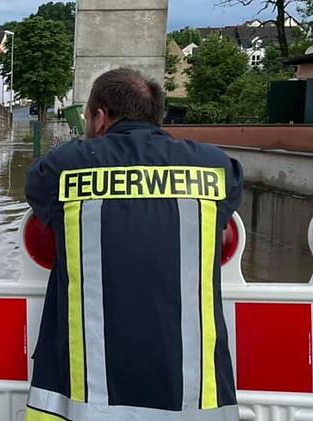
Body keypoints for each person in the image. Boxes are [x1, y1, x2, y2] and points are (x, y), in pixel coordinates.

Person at [24, 68, 243, 421]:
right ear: (156, 116)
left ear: (99, 117)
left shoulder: (64, 167)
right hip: (192, 397)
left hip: (88, 401)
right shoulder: (216, 168)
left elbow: (38, 190)